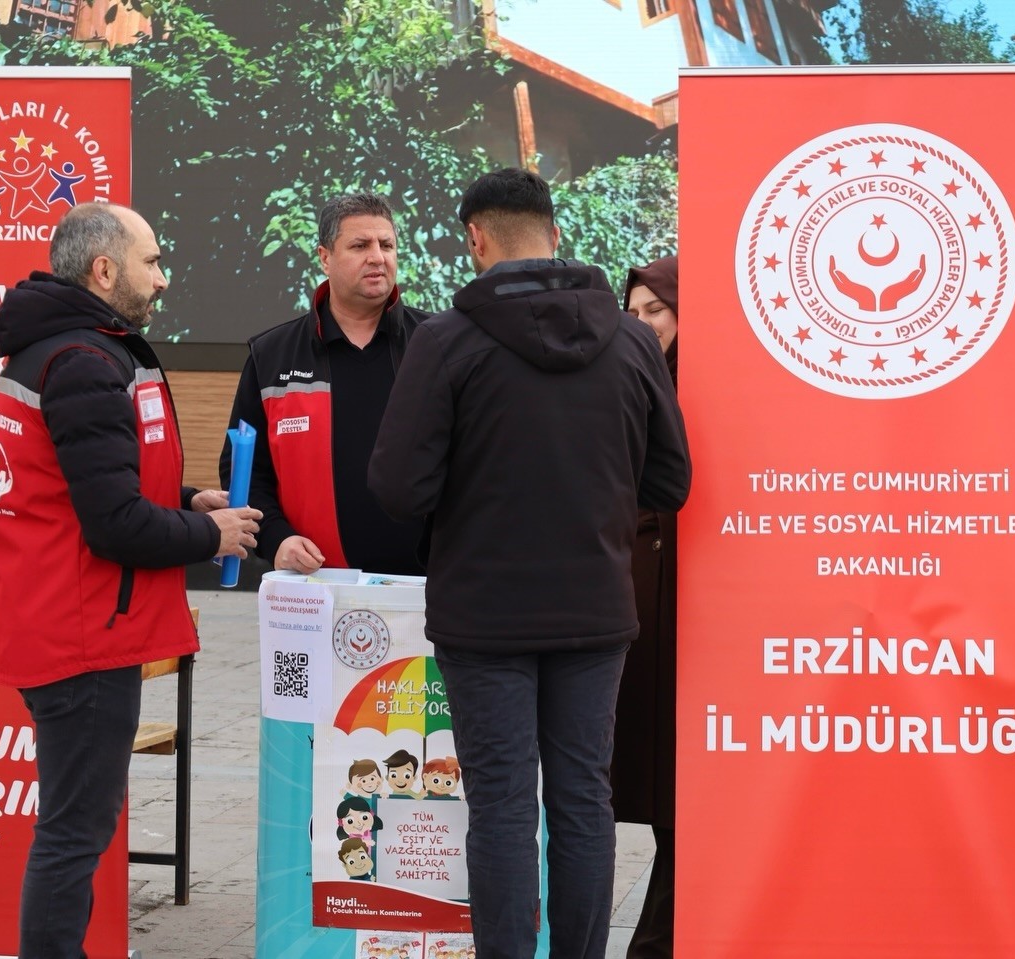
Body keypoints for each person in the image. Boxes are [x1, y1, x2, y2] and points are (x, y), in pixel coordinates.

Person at [368, 168, 691, 959]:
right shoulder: (631, 340)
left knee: (504, 806)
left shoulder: (446, 341)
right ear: (555, 233)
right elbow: (670, 481)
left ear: (476, 239)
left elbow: (401, 488)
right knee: (583, 800)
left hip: (484, 616)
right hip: (596, 609)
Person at [0, 202, 261, 959]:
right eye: (152, 261)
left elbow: (95, 483)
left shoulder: (69, 349)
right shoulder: (82, 361)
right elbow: (113, 523)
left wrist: (186, 500)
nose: (163, 278)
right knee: (75, 831)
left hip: (66, 622)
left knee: (75, 824)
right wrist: (211, 536)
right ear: (104, 270)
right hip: (82, 635)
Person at [220, 193, 429, 575]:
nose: (377, 257)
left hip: (428, 586)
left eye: (386, 245)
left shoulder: (438, 345)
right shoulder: (272, 355)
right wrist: (276, 539)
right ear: (325, 257)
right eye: (360, 246)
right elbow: (244, 472)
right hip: (313, 584)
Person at [610, 254, 680, 959]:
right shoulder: (623, 379)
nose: (641, 324)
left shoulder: (709, 386)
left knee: (685, 790)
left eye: (655, 310)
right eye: (631, 313)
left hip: (691, 609)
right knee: (656, 784)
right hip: (634, 604)